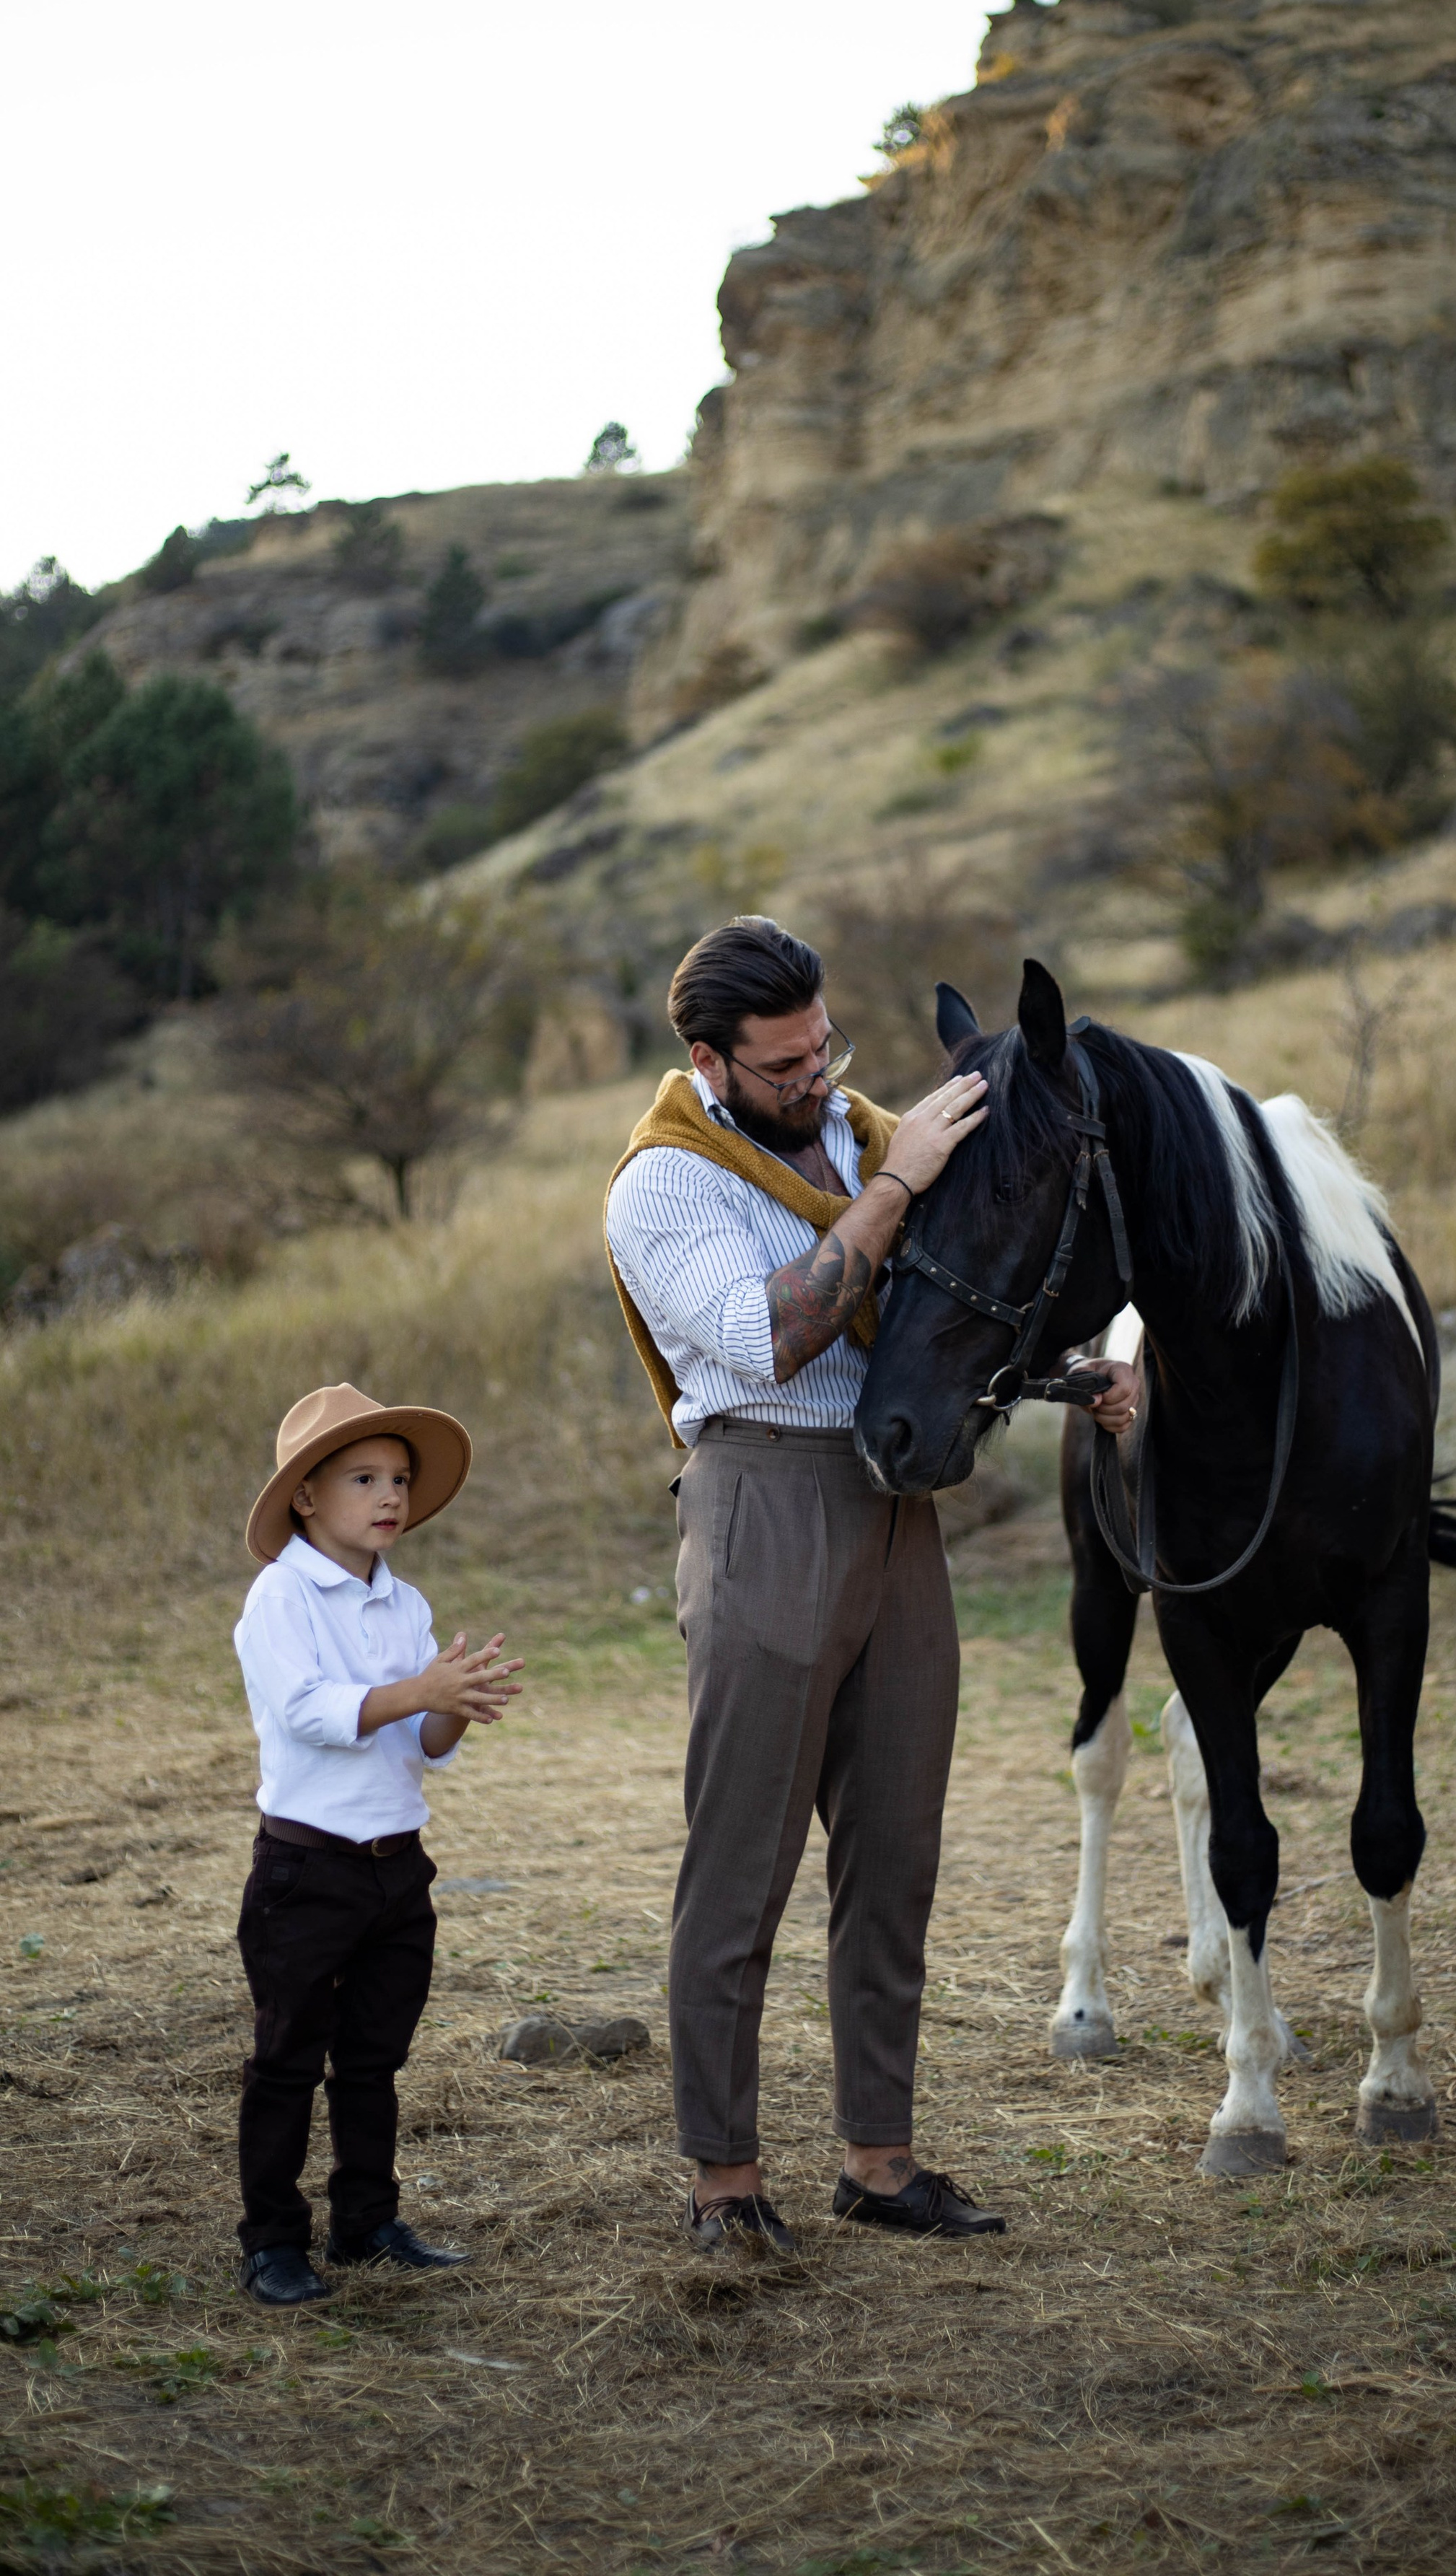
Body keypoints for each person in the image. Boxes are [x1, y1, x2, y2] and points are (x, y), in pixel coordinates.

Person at [604, 916, 1137, 2253]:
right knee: (742, 1866)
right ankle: (725, 2185)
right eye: (784, 1064)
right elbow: (776, 1334)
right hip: (763, 1497)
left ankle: (878, 2161)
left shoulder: (859, 1125)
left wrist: (1090, 1376)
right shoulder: (662, 1186)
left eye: (824, 1044)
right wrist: (893, 1186)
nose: (817, 1078)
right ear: (706, 1059)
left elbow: (961, 1300)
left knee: (895, 1853)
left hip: (897, 1508)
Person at [232, 1383, 522, 2306]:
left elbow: (418, 1747)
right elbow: (313, 1714)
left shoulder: (406, 1604)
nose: (389, 1494)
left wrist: (456, 1704)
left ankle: (367, 2220)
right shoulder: (280, 1597)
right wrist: (420, 1689)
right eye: (363, 1477)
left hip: (397, 1869)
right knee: (287, 2059)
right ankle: (273, 2239)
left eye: (398, 1477)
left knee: (372, 2059)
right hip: (306, 1869)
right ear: (307, 1497)